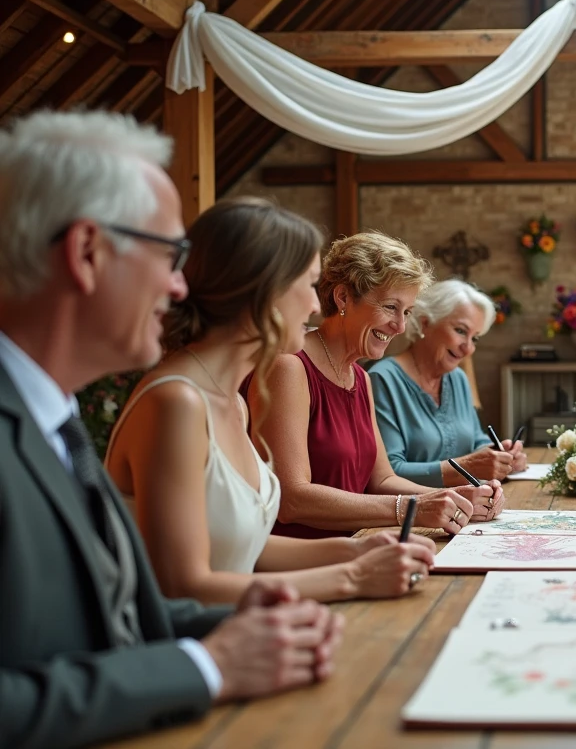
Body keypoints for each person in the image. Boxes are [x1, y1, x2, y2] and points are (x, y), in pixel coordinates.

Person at [0, 110, 342, 748]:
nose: (181, 285)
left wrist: (230, 624)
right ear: (87, 252)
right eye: (167, 253)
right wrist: (207, 667)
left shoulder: (52, 415)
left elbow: (117, 615)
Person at [106, 198, 436, 605]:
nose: (317, 304)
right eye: (307, 284)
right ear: (262, 290)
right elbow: (181, 588)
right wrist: (352, 577)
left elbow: (250, 549)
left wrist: (357, 550)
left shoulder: (233, 401)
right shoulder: (176, 402)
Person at [250, 232, 503, 540]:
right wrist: (413, 507)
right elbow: (291, 499)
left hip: (361, 548)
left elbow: (381, 480)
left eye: (407, 312)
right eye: (390, 307)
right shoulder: (289, 366)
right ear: (343, 297)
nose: (399, 326)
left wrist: (457, 498)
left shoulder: (360, 377)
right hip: (302, 565)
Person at [371, 279, 527, 486]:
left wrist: (501, 454)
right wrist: (467, 466)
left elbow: (475, 441)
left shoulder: (458, 378)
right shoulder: (381, 380)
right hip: (412, 513)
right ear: (425, 323)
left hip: (468, 507)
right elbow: (389, 471)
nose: (468, 348)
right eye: (461, 331)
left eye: (475, 338)